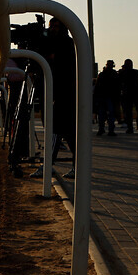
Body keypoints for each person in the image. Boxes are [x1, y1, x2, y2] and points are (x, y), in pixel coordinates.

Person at [47, 18, 76, 178]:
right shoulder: (52, 43)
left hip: (66, 93)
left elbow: (61, 64)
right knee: (60, 131)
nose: (53, 29)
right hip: (56, 92)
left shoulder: (67, 43)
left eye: (56, 26)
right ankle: (48, 165)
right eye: (51, 26)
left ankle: (49, 165)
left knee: (63, 131)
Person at [94, 59, 120, 136]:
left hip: (105, 97)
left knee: (103, 114)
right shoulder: (113, 74)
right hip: (108, 97)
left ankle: (102, 129)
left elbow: (97, 86)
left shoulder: (102, 74)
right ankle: (109, 130)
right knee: (109, 114)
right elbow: (117, 87)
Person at [118, 59, 138, 133]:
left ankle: (133, 127)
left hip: (129, 95)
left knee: (129, 112)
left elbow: (119, 84)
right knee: (135, 111)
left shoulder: (124, 73)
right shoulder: (134, 72)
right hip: (133, 95)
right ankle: (137, 126)